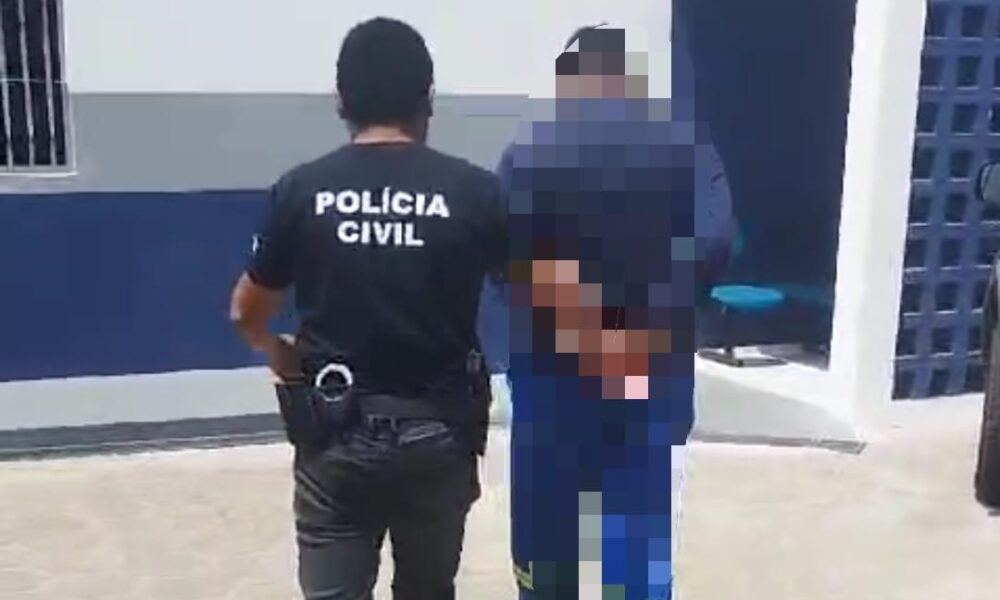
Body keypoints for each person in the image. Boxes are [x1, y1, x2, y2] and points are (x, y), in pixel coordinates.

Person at [228, 17, 506, 600]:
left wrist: (278, 353)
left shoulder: (302, 190)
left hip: (335, 434)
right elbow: (537, 293)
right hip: (439, 436)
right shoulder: (475, 193)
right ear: (428, 100)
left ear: (341, 100)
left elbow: (245, 312)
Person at [486, 24, 733, 600]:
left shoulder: (530, 152)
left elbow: (503, 251)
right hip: (650, 373)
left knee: (548, 552)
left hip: (554, 377)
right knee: (637, 553)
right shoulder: (686, 148)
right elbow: (715, 241)